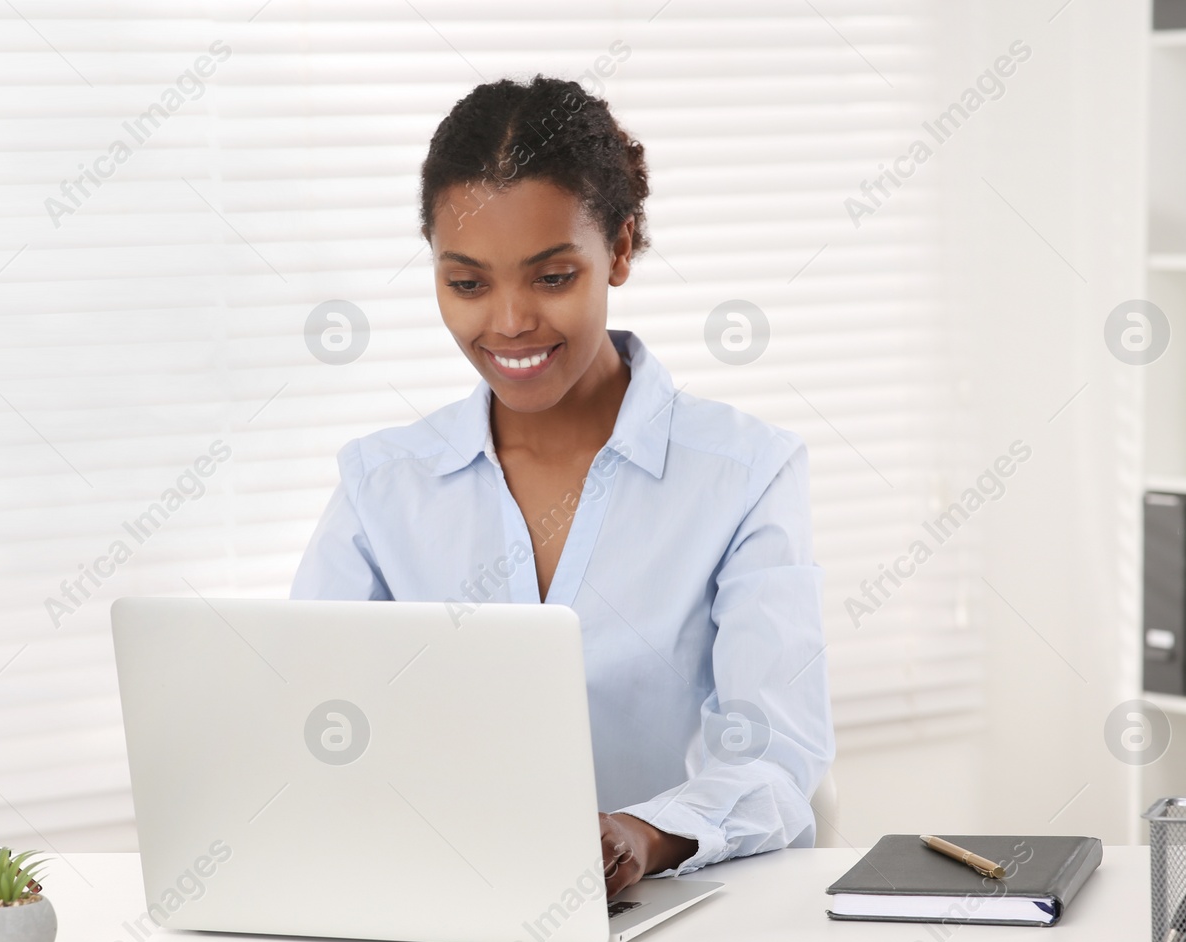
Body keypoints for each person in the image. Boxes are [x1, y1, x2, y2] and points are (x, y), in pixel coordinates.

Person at [291, 74, 833, 896]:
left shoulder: (743, 473)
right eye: (467, 283)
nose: (507, 322)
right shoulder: (381, 485)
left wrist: (645, 835)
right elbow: (307, 728)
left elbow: (777, 758)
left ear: (618, 250)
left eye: (551, 278)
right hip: (432, 905)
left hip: (666, 920)